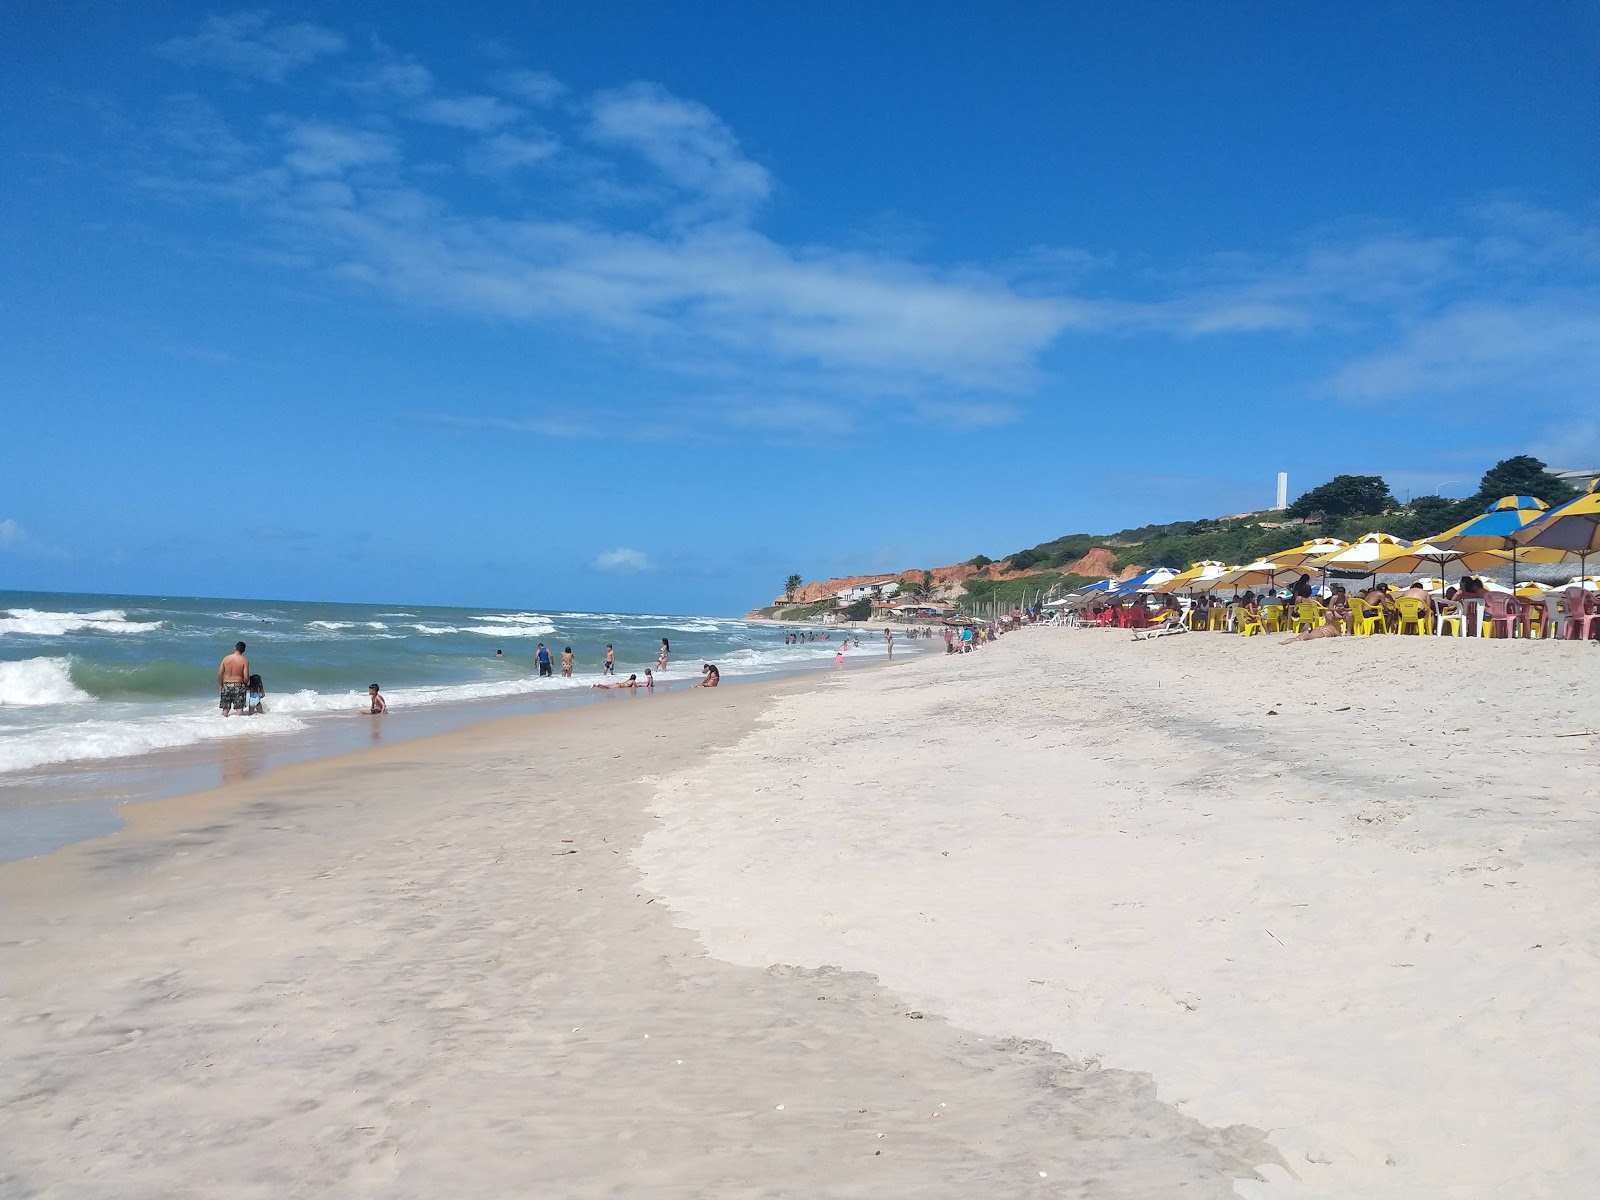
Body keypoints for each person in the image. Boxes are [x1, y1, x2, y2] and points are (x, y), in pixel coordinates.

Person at [218, 641, 250, 717]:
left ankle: (222, 725)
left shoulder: (226, 658)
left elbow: (220, 673)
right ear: (243, 651)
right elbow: (246, 677)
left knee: (225, 708)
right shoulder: (244, 661)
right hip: (239, 684)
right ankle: (238, 726)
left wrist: (221, 685)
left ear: (234, 648)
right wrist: (244, 685)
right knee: (239, 708)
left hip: (226, 684)